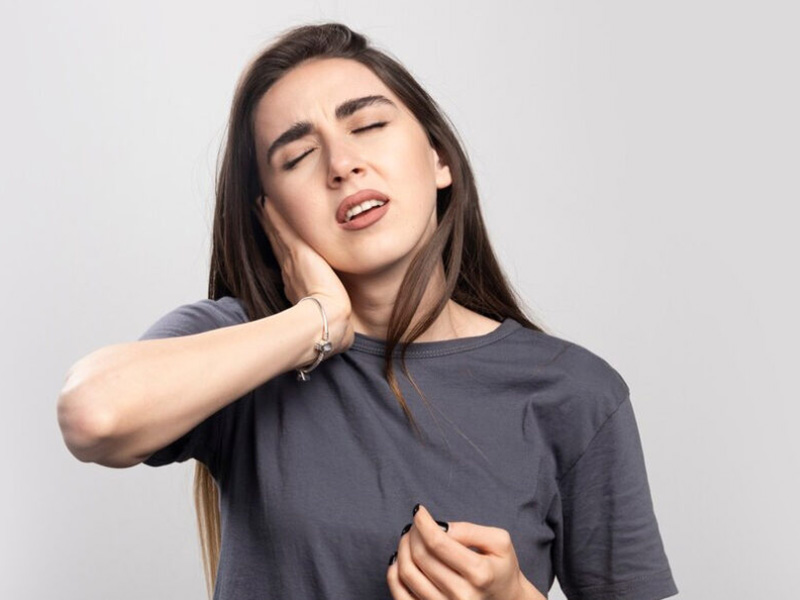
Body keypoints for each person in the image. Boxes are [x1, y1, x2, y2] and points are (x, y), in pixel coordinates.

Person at [56, 22, 679, 600]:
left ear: (439, 159)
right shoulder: (244, 342)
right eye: (297, 157)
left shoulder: (574, 394)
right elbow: (93, 414)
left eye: (369, 125)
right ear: (271, 214)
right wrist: (320, 320)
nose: (342, 164)